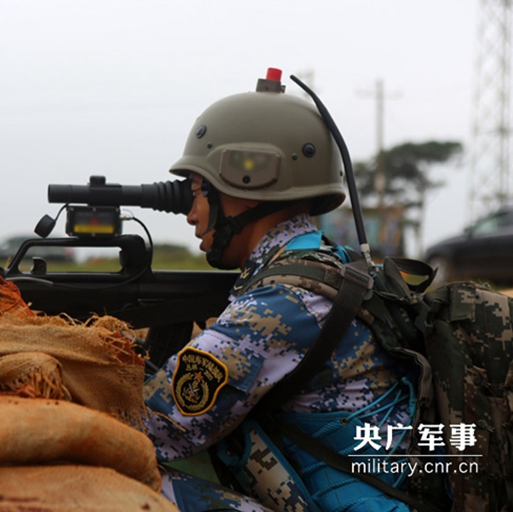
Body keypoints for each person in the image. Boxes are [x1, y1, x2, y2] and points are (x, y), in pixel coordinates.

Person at [143, 68, 421, 511]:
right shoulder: (329, 263)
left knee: (119, 483)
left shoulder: (285, 304)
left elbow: (154, 427)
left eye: (196, 190)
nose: (191, 213)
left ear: (247, 184)